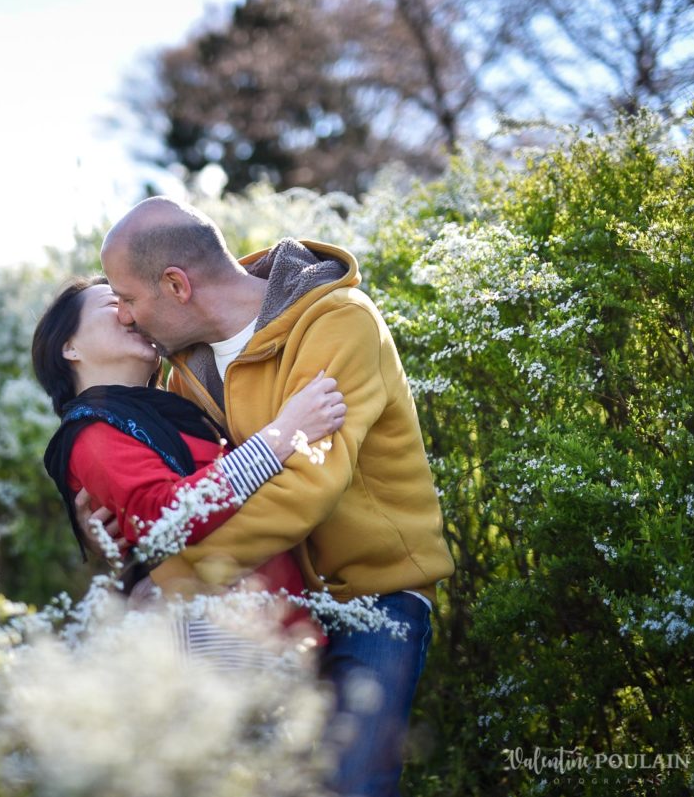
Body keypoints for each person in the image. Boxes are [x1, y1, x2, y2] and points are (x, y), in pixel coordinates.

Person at [87, 197, 456, 797]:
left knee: (352, 785)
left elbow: (305, 488)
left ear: (176, 284)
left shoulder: (337, 322)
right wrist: (104, 518)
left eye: (128, 298)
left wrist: (177, 576)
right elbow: (186, 491)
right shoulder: (181, 366)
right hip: (270, 604)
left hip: (375, 596)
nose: (125, 317)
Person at [31, 275, 346, 654]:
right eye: (112, 305)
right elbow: (166, 517)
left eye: (131, 303)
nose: (130, 315)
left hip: (281, 629)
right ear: (69, 347)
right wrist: (284, 434)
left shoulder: (177, 406)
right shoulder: (91, 431)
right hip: (217, 640)